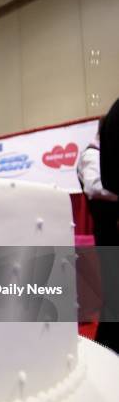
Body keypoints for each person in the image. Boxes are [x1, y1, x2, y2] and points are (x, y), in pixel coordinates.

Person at [78, 116, 119, 353]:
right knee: (113, 294)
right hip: (107, 233)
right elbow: (94, 187)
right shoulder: (91, 155)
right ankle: (106, 349)